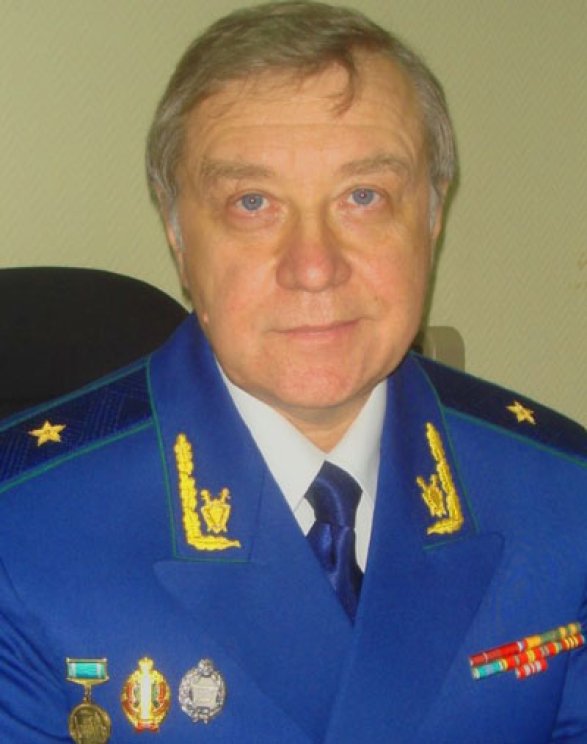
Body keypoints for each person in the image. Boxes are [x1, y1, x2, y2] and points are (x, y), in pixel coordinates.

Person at [0, 2, 585, 742]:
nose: (314, 266)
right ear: (178, 235)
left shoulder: (563, 501)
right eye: (253, 203)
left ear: (432, 218)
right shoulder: (23, 538)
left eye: (363, 197)